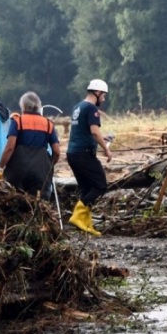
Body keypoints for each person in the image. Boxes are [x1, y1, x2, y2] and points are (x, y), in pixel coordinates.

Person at [66, 79, 113, 236]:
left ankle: (86, 224)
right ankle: (77, 216)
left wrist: (102, 137)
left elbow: (84, 131)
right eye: (104, 95)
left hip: (72, 154)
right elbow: (94, 131)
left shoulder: (77, 107)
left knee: (87, 189)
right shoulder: (92, 109)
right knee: (100, 185)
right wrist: (106, 149)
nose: (104, 99)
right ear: (97, 93)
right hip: (84, 154)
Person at [0, 91, 60, 196]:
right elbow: (56, 151)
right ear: (38, 106)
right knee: (39, 204)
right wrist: (49, 166)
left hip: (18, 172)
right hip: (40, 172)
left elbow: (10, 147)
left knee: (17, 202)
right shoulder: (48, 124)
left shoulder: (18, 122)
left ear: (23, 106)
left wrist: (0, 169)